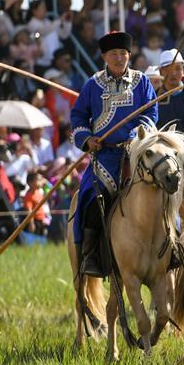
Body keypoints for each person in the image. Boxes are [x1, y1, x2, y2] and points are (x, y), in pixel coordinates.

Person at [69, 31, 158, 277]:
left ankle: (171, 250)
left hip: (137, 154)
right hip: (104, 157)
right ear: (104, 57)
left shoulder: (142, 82)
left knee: (163, 189)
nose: (119, 58)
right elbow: (78, 116)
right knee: (89, 197)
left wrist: (136, 136)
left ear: (129, 55)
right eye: (114, 54)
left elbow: (150, 114)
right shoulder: (92, 84)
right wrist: (87, 139)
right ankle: (91, 256)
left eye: (123, 53)